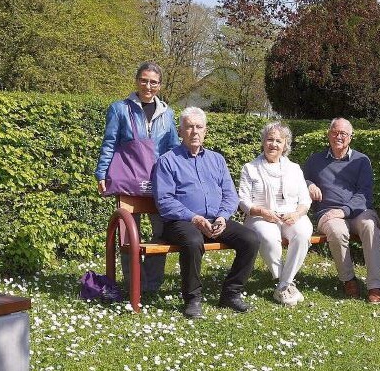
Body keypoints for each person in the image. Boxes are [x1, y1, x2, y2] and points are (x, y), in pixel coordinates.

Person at [152, 107, 258, 318]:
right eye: (189, 127)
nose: (195, 132)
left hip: (215, 220)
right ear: (180, 131)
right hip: (180, 222)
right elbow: (164, 201)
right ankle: (193, 299)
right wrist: (194, 218)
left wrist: (222, 217)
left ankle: (231, 294)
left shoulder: (217, 160)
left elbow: (230, 195)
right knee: (193, 241)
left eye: (199, 127)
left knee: (251, 239)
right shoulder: (167, 161)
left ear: (205, 131)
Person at [95, 61, 179, 292]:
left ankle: (151, 284)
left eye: (153, 82)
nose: (148, 86)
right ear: (136, 81)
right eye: (144, 80)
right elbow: (109, 143)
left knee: (161, 233)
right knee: (128, 236)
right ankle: (134, 284)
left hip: (158, 182)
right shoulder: (119, 109)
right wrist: (101, 172)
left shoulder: (168, 114)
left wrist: (177, 178)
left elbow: (173, 147)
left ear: (160, 85)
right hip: (128, 180)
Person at [303, 118, 380, 303]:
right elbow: (299, 180)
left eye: (343, 133)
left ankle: (375, 285)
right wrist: (308, 184)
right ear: (328, 134)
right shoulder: (315, 160)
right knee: (337, 231)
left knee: (370, 226)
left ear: (350, 137)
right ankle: (348, 280)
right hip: (328, 213)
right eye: (335, 132)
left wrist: (344, 211)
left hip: (358, 211)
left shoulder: (361, 161)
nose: (338, 136)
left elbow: (365, 194)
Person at [238, 122, 313, 307]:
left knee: (303, 232)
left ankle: (284, 284)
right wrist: (262, 212)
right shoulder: (250, 168)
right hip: (260, 217)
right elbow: (243, 201)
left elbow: (305, 200)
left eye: (279, 141)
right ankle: (284, 283)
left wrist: (297, 214)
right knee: (269, 237)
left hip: (291, 215)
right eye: (270, 139)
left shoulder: (294, 168)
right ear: (263, 142)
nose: (274, 144)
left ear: (285, 144)